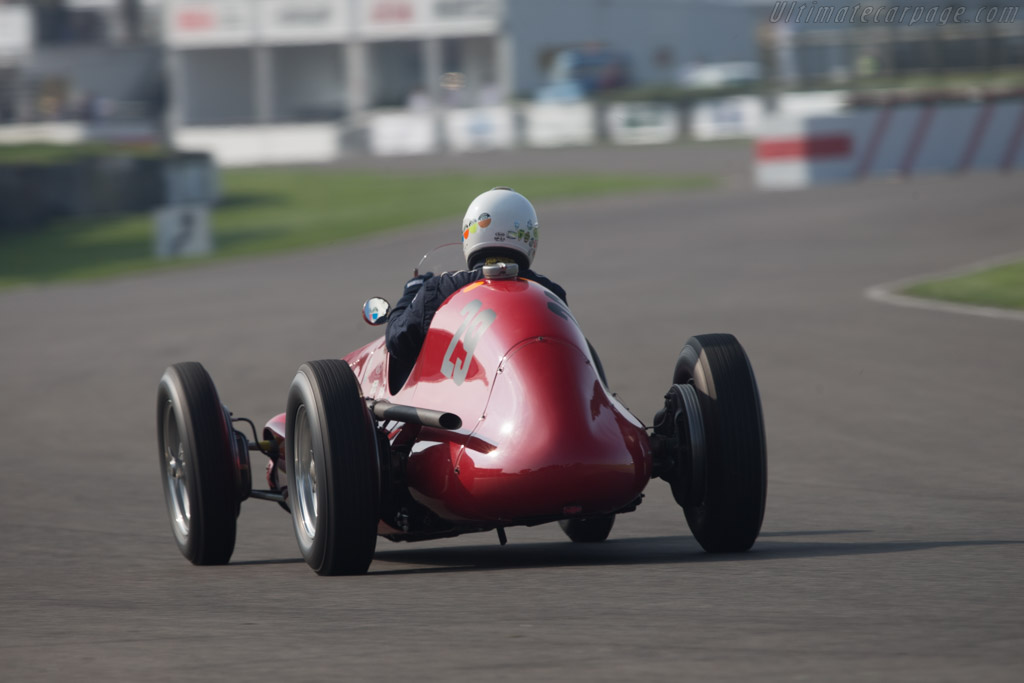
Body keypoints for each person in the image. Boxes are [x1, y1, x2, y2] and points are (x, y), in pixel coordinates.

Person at [386, 187, 567, 368]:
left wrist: (410, 293)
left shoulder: (441, 288)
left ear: (470, 231)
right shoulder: (551, 292)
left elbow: (398, 342)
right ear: (530, 237)